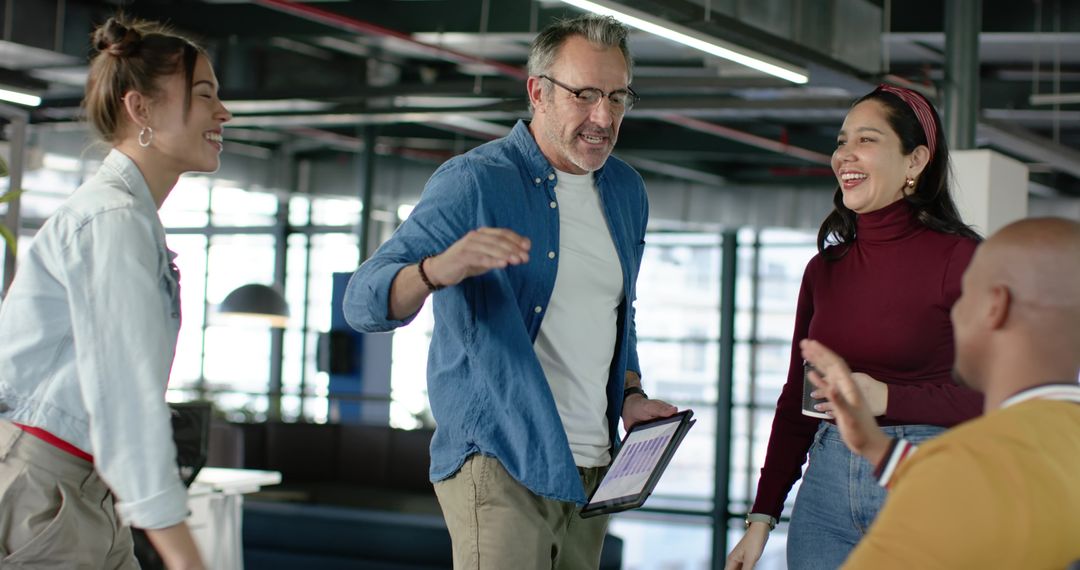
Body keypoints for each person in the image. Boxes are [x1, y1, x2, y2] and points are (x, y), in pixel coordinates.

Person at [343, 14, 676, 570]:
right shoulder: (474, 180)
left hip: (591, 468)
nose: (604, 117)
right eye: (585, 95)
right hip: (498, 457)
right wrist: (438, 270)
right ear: (537, 92)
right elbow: (362, 302)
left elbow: (618, 315)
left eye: (618, 97)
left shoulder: (625, 190)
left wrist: (631, 396)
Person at [0, 16, 231, 569]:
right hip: (48, 488)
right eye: (205, 96)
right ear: (141, 110)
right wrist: (185, 555)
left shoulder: (128, 218)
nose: (224, 112)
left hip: (85, 490)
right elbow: (125, 398)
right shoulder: (112, 219)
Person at [726, 84, 985, 570]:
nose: (845, 153)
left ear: (915, 162)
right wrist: (762, 517)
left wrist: (887, 397)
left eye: (866, 139)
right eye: (842, 141)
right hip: (824, 496)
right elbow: (796, 400)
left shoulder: (962, 259)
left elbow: (1003, 396)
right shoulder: (823, 270)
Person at [800, 217, 1080, 568]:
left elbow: (960, 485)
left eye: (966, 294)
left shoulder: (971, 459)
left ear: (996, 305)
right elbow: (988, 492)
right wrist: (877, 448)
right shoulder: (1056, 441)